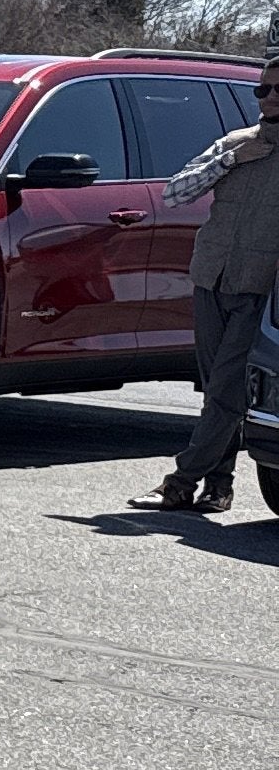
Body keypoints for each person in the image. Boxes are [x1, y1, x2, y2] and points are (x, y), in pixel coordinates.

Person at [133, 52, 279, 514]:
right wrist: (234, 159)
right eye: (262, 89)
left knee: (225, 390)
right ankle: (220, 485)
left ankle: (179, 482)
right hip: (210, 279)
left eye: (278, 90)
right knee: (219, 390)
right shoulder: (237, 142)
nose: (268, 98)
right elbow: (176, 193)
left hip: (260, 289)